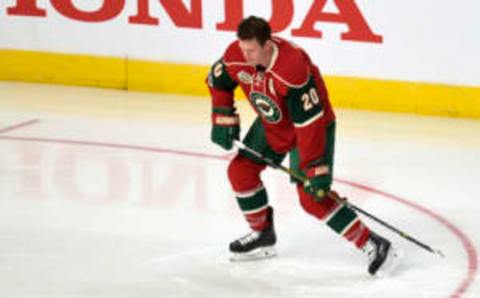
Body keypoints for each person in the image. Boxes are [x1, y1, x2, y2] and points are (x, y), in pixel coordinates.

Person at [206, 16, 397, 275]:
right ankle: (263, 234)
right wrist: (222, 117)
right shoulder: (236, 55)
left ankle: (373, 242)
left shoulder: (292, 67)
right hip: (273, 123)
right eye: (243, 48)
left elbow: (309, 124)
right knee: (240, 172)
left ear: (267, 45)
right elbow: (218, 81)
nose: (245, 55)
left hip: (313, 127)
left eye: (251, 50)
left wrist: (314, 169)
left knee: (311, 198)